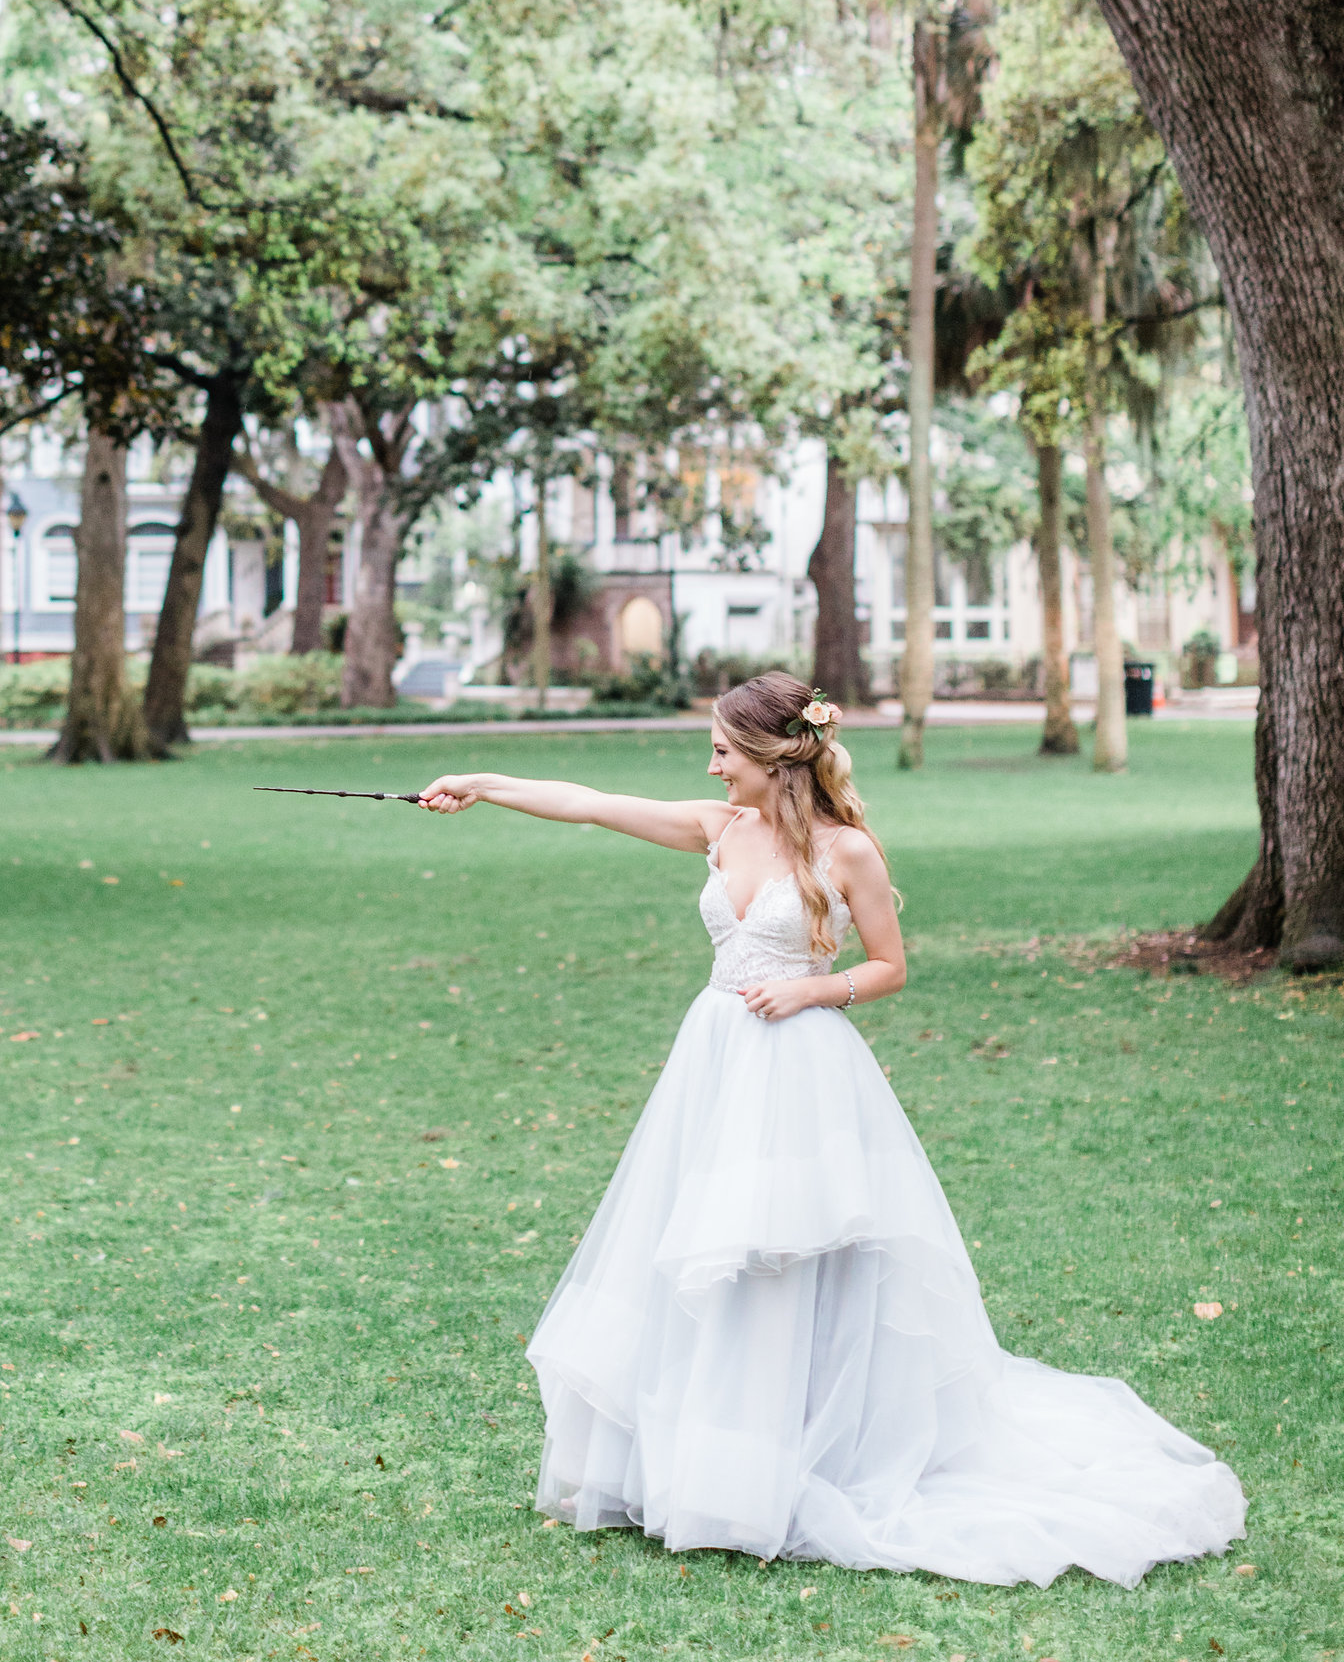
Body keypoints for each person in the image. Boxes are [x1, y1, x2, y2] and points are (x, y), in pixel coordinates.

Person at [416, 670, 1245, 1586]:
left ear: (776, 758)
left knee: (786, 1253)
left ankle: (806, 1455)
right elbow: (588, 803)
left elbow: (891, 965)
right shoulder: (719, 828)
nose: (712, 764)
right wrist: (483, 784)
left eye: (725, 750)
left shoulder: (849, 851)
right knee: (705, 1254)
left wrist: (815, 986)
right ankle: (710, 1461)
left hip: (803, 1068)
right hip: (715, 1064)